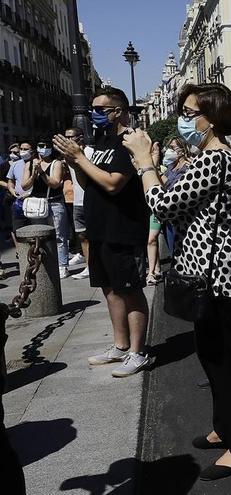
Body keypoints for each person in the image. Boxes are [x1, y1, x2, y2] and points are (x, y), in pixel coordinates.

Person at [122, 82, 231, 480]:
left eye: (189, 112)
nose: (183, 119)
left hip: (220, 275)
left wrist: (146, 163)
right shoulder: (207, 158)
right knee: (211, 355)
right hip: (207, 271)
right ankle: (225, 427)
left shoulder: (214, 161)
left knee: (226, 360)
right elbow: (181, 209)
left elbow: (162, 206)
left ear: (212, 119)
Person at [51, 87, 153, 378]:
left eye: (100, 109)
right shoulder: (102, 141)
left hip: (123, 228)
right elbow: (89, 183)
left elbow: (113, 183)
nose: (93, 114)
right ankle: (120, 346)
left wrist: (81, 159)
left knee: (129, 290)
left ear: (118, 111)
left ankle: (138, 351)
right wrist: (76, 161)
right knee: (109, 289)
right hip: (100, 228)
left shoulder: (130, 142)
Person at [21, 140, 70, 277]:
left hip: (54, 203)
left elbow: (55, 184)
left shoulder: (56, 163)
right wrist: (33, 174)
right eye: (40, 146)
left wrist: (42, 173)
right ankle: (45, 263)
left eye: (45, 146)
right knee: (39, 236)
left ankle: (62, 265)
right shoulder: (30, 164)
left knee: (59, 236)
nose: (42, 149)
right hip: (37, 205)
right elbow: (24, 185)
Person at [63, 128, 93, 280]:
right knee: (82, 236)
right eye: (66, 136)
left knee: (94, 235)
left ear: (80, 137)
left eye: (71, 137)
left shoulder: (89, 153)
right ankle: (89, 266)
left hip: (91, 200)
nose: (68, 140)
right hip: (77, 202)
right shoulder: (67, 156)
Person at [161, 137, 191, 253]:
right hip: (169, 215)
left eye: (172, 148)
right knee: (171, 248)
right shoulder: (171, 166)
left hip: (180, 215)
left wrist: (156, 169)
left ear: (182, 150)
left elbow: (173, 186)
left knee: (179, 249)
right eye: (169, 147)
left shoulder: (187, 167)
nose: (169, 150)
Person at [6, 141, 32, 243]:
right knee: (18, 231)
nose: (22, 151)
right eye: (21, 149)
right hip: (18, 203)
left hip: (33, 202)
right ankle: (22, 254)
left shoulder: (37, 163)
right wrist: (12, 191)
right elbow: (10, 181)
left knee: (35, 231)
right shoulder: (15, 164)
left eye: (26, 149)